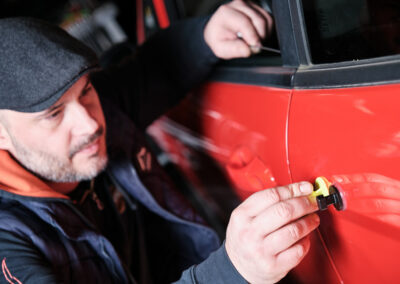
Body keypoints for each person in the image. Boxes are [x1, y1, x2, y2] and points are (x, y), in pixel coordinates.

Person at [0, 0, 319, 283]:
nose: (89, 124)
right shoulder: (10, 249)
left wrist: (207, 35)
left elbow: (153, 70)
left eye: (85, 90)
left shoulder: (99, 109)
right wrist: (229, 272)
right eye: (53, 114)